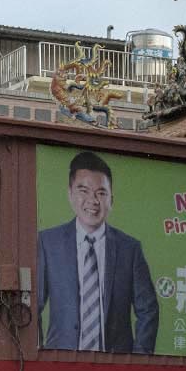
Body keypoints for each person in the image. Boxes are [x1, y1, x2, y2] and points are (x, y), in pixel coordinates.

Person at [35, 150, 158, 354]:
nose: (92, 200)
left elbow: (148, 309)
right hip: (60, 365)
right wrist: (38, 355)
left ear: (111, 199)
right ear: (70, 193)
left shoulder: (130, 249)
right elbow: (33, 305)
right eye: (83, 190)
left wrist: (139, 361)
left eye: (101, 193)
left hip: (116, 368)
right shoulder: (48, 242)